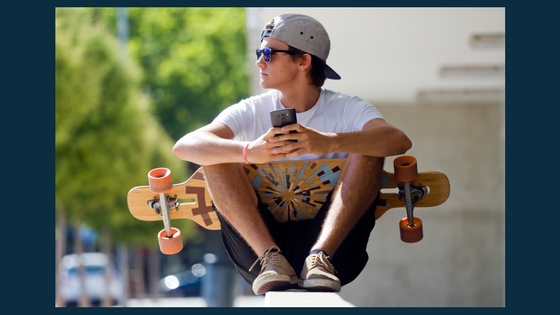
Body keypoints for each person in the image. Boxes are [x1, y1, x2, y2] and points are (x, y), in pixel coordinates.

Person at [172, 13, 412, 295]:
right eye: (259, 52)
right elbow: (185, 145)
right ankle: (271, 258)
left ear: (303, 61)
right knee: (216, 153)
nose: (259, 61)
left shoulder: (348, 108)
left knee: (370, 147)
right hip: (260, 255)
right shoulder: (251, 109)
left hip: (335, 254)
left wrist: (329, 143)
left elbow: (398, 141)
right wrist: (250, 151)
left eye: (268, 53)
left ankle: (320, 258)